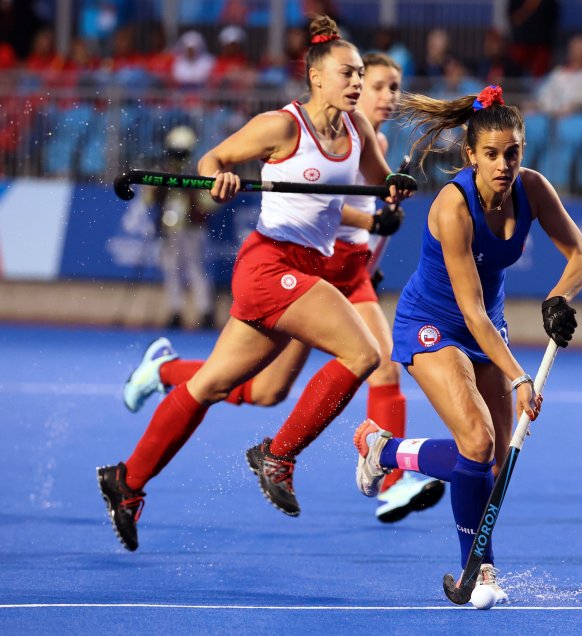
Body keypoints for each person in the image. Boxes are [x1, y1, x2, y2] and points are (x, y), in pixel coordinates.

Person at [97, 15, 417, 552]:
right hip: (271, 265)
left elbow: (380, 181)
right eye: (348, 73)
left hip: (305, 270)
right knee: (365, 354)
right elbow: (214, 159)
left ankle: (127, 481)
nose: (358, 83)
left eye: (362, 73)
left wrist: (395, 187)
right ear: (317, 78)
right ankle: (279, 455)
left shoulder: (357, 129)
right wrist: (218, 178)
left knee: (214, 386)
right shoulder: (283, 126)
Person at [350, 85, 582, 602]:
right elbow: (471, 312)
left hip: (489, 325)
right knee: (479, 444)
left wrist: (557, 299)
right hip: (433, 324)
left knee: (494, 461)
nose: (503, 164)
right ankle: (478, 573)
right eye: (491, 154)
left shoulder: (533, 188)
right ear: (471, 156)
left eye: (513, 153)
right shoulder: (453, 207)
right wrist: (520, 376)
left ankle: (385, 448)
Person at [151, 125, 219, 329]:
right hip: (170, 228)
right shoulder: (164, 170)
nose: (178, 157)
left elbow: (209, 204)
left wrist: (190, 188)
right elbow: (150, 198)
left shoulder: (198, 170)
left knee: (196, 269)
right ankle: (175, 311)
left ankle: (205, 312)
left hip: (193, 228)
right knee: (171, 270)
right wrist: (165, 183)